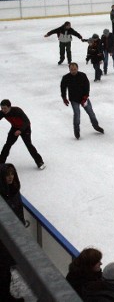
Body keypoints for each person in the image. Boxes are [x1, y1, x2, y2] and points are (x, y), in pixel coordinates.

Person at [0, 163, 28, 302]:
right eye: (7, 175)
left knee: (6, 270)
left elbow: (19, 211)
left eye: (12, 174)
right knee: (3, 270)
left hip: (13, 238)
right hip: (3, 241)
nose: (10, 177)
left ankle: (6, 294)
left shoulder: (15, 190)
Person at [60, 62, 104, 139]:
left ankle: (96, 126)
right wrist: (64, 98)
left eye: (75, 69)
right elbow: (63, 88)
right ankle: (76, 131)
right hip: (74, 99)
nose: (73, 71)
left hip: (84, 98)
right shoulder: (66, 78)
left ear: (77, 69)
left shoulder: (82, 76)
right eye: (71, 69)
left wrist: (85, 97)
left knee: (91, 113)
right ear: (69, 69)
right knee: (77, 115)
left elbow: (87, 86)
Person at [0, 100, 45, 169]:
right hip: (15, 128)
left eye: (5, 108)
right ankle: (1, 163)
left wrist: (20, 130)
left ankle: (39, 162)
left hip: (25, 128)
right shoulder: (2, 113)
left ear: (9, 107)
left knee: (28, 144)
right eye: (2, 108)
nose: (3, 110)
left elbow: (27, 121)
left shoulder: (17, 111)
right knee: (7, 145)